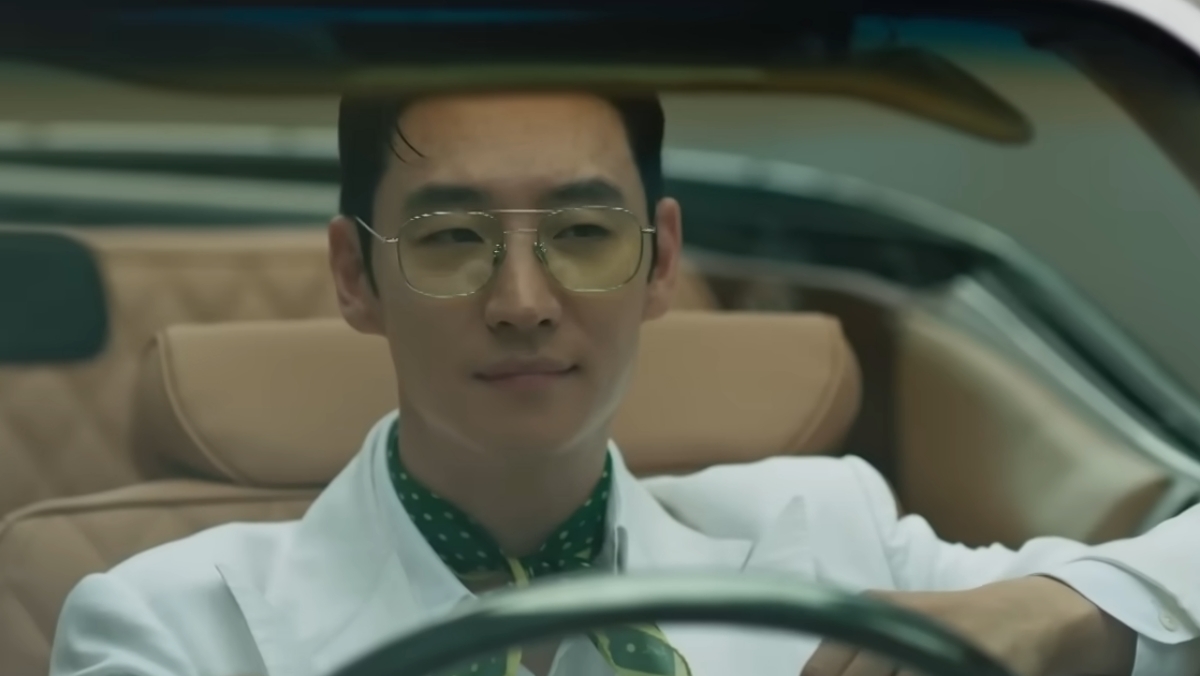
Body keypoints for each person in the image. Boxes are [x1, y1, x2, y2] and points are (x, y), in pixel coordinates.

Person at [49, 91, 1199, 676]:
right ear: (357, 276)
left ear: (660, 260)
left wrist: (1058, 612)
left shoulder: (829, 531)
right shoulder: (169, 624)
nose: (522, 299)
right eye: (452, 239)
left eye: (583, 233)